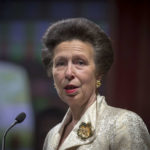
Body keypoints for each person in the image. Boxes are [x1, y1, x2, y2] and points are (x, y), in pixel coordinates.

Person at [41, 18, 150, 150]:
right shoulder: (52, 135)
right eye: (60, 63)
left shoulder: (123, 124)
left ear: (98, 73)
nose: (68, 73)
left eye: (80, 62)